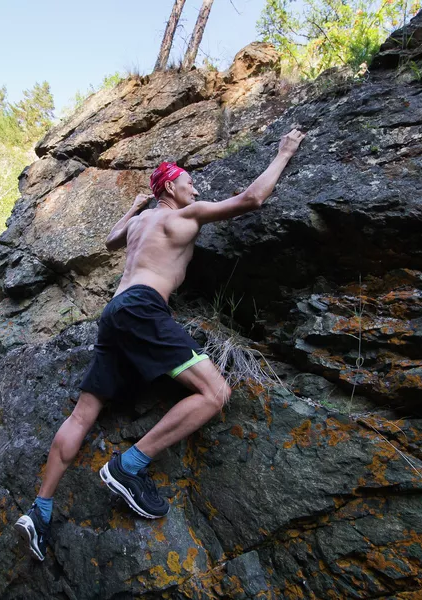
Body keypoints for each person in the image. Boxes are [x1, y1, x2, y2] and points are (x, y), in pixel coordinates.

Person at [15, 129, 306, 561]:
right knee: (215, 392)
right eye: (189, 182)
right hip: (145, 308)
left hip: (114, 315)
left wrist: (134, 206)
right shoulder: (180, 217)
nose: (196, 188)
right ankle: (128, 467)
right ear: (170, 186)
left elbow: (111, 240)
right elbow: (251, 200)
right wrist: (284, 153)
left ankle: (39, 510)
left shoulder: (138, 223)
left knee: (83, 414)